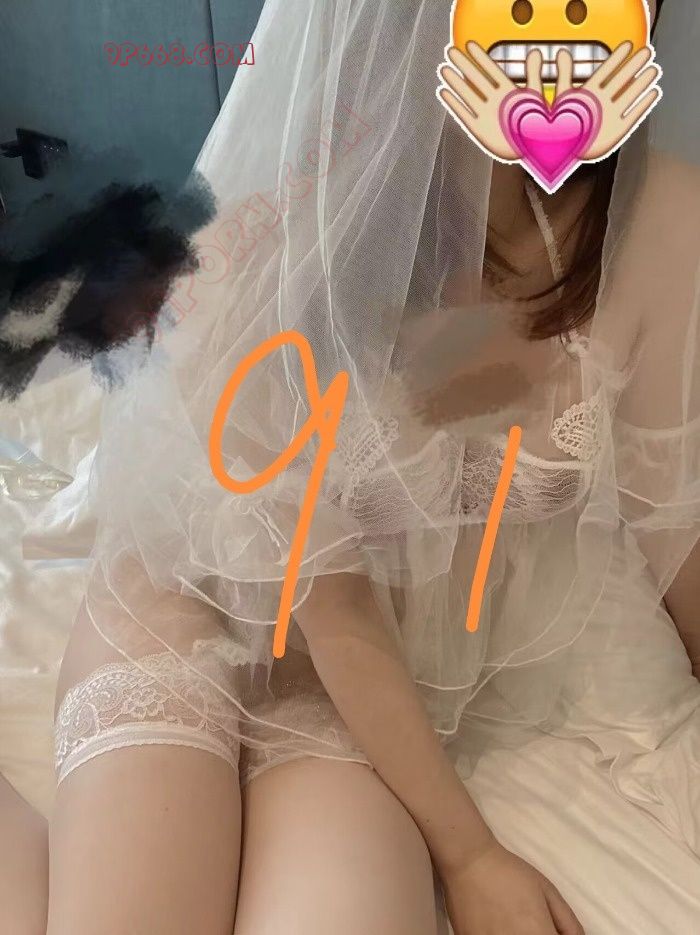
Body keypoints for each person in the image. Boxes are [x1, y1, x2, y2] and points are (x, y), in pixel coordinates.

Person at [3, 0, 699, 932]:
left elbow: (669, 510)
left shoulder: (660, 219)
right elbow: (333, 603)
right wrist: (471, 852)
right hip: (193, 608)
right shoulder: (296, 224)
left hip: (357, 693)